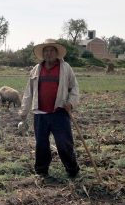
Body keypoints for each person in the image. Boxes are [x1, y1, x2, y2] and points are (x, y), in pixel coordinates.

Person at [18, 39, 80, 178]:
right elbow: (29, 92)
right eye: (46, 51)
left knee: (64, 143)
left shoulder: (65, 68)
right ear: (43, 54)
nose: (48, 53)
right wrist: (24, 111)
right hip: (40, 113)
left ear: (57, 53)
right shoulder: (36, 69)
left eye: (51, 50)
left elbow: (74, 88)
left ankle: (72, 171)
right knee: (41, 144)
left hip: (60, 112)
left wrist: (71, 103)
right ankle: (41, 171)